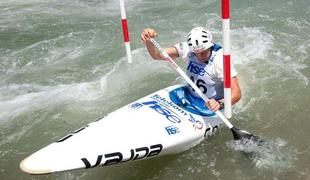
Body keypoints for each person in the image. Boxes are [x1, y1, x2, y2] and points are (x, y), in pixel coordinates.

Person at [141, 27, 241, 112]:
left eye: (203, 51)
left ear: (210, 45)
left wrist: (220, 103)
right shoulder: (188, 48)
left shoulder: (220, 60)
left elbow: (236, 93)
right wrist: (149, 42)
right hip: (189, 96)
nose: (200, 55)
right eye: (196, 52)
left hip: (212, 103)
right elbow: (157, 55)